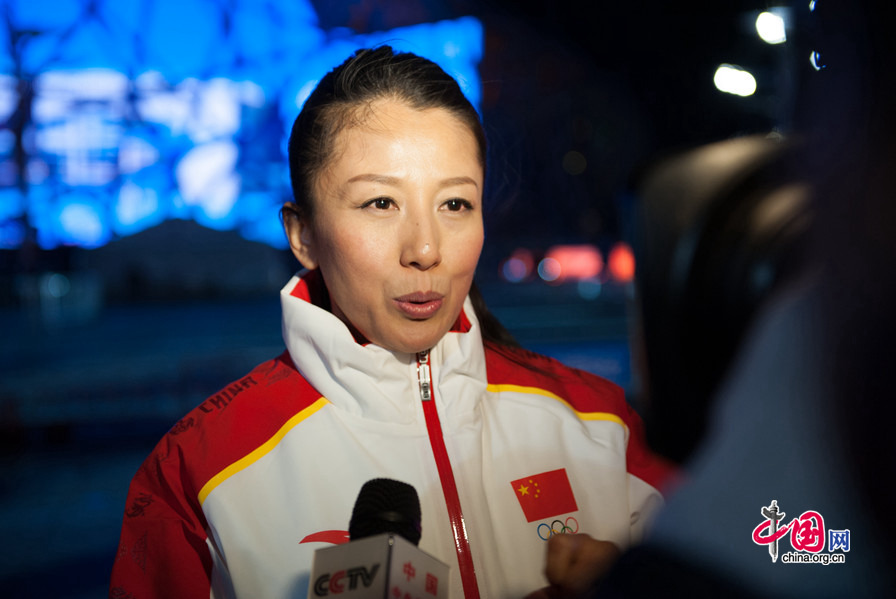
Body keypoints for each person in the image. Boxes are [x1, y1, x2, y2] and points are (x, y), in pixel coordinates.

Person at [109, 46, 675, 599]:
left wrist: (647, 583)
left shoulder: (601, 424)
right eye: (380, 203)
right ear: (302, 234)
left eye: (454, 204)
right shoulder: (198, 472)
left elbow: (763, 545)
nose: (426, 249)